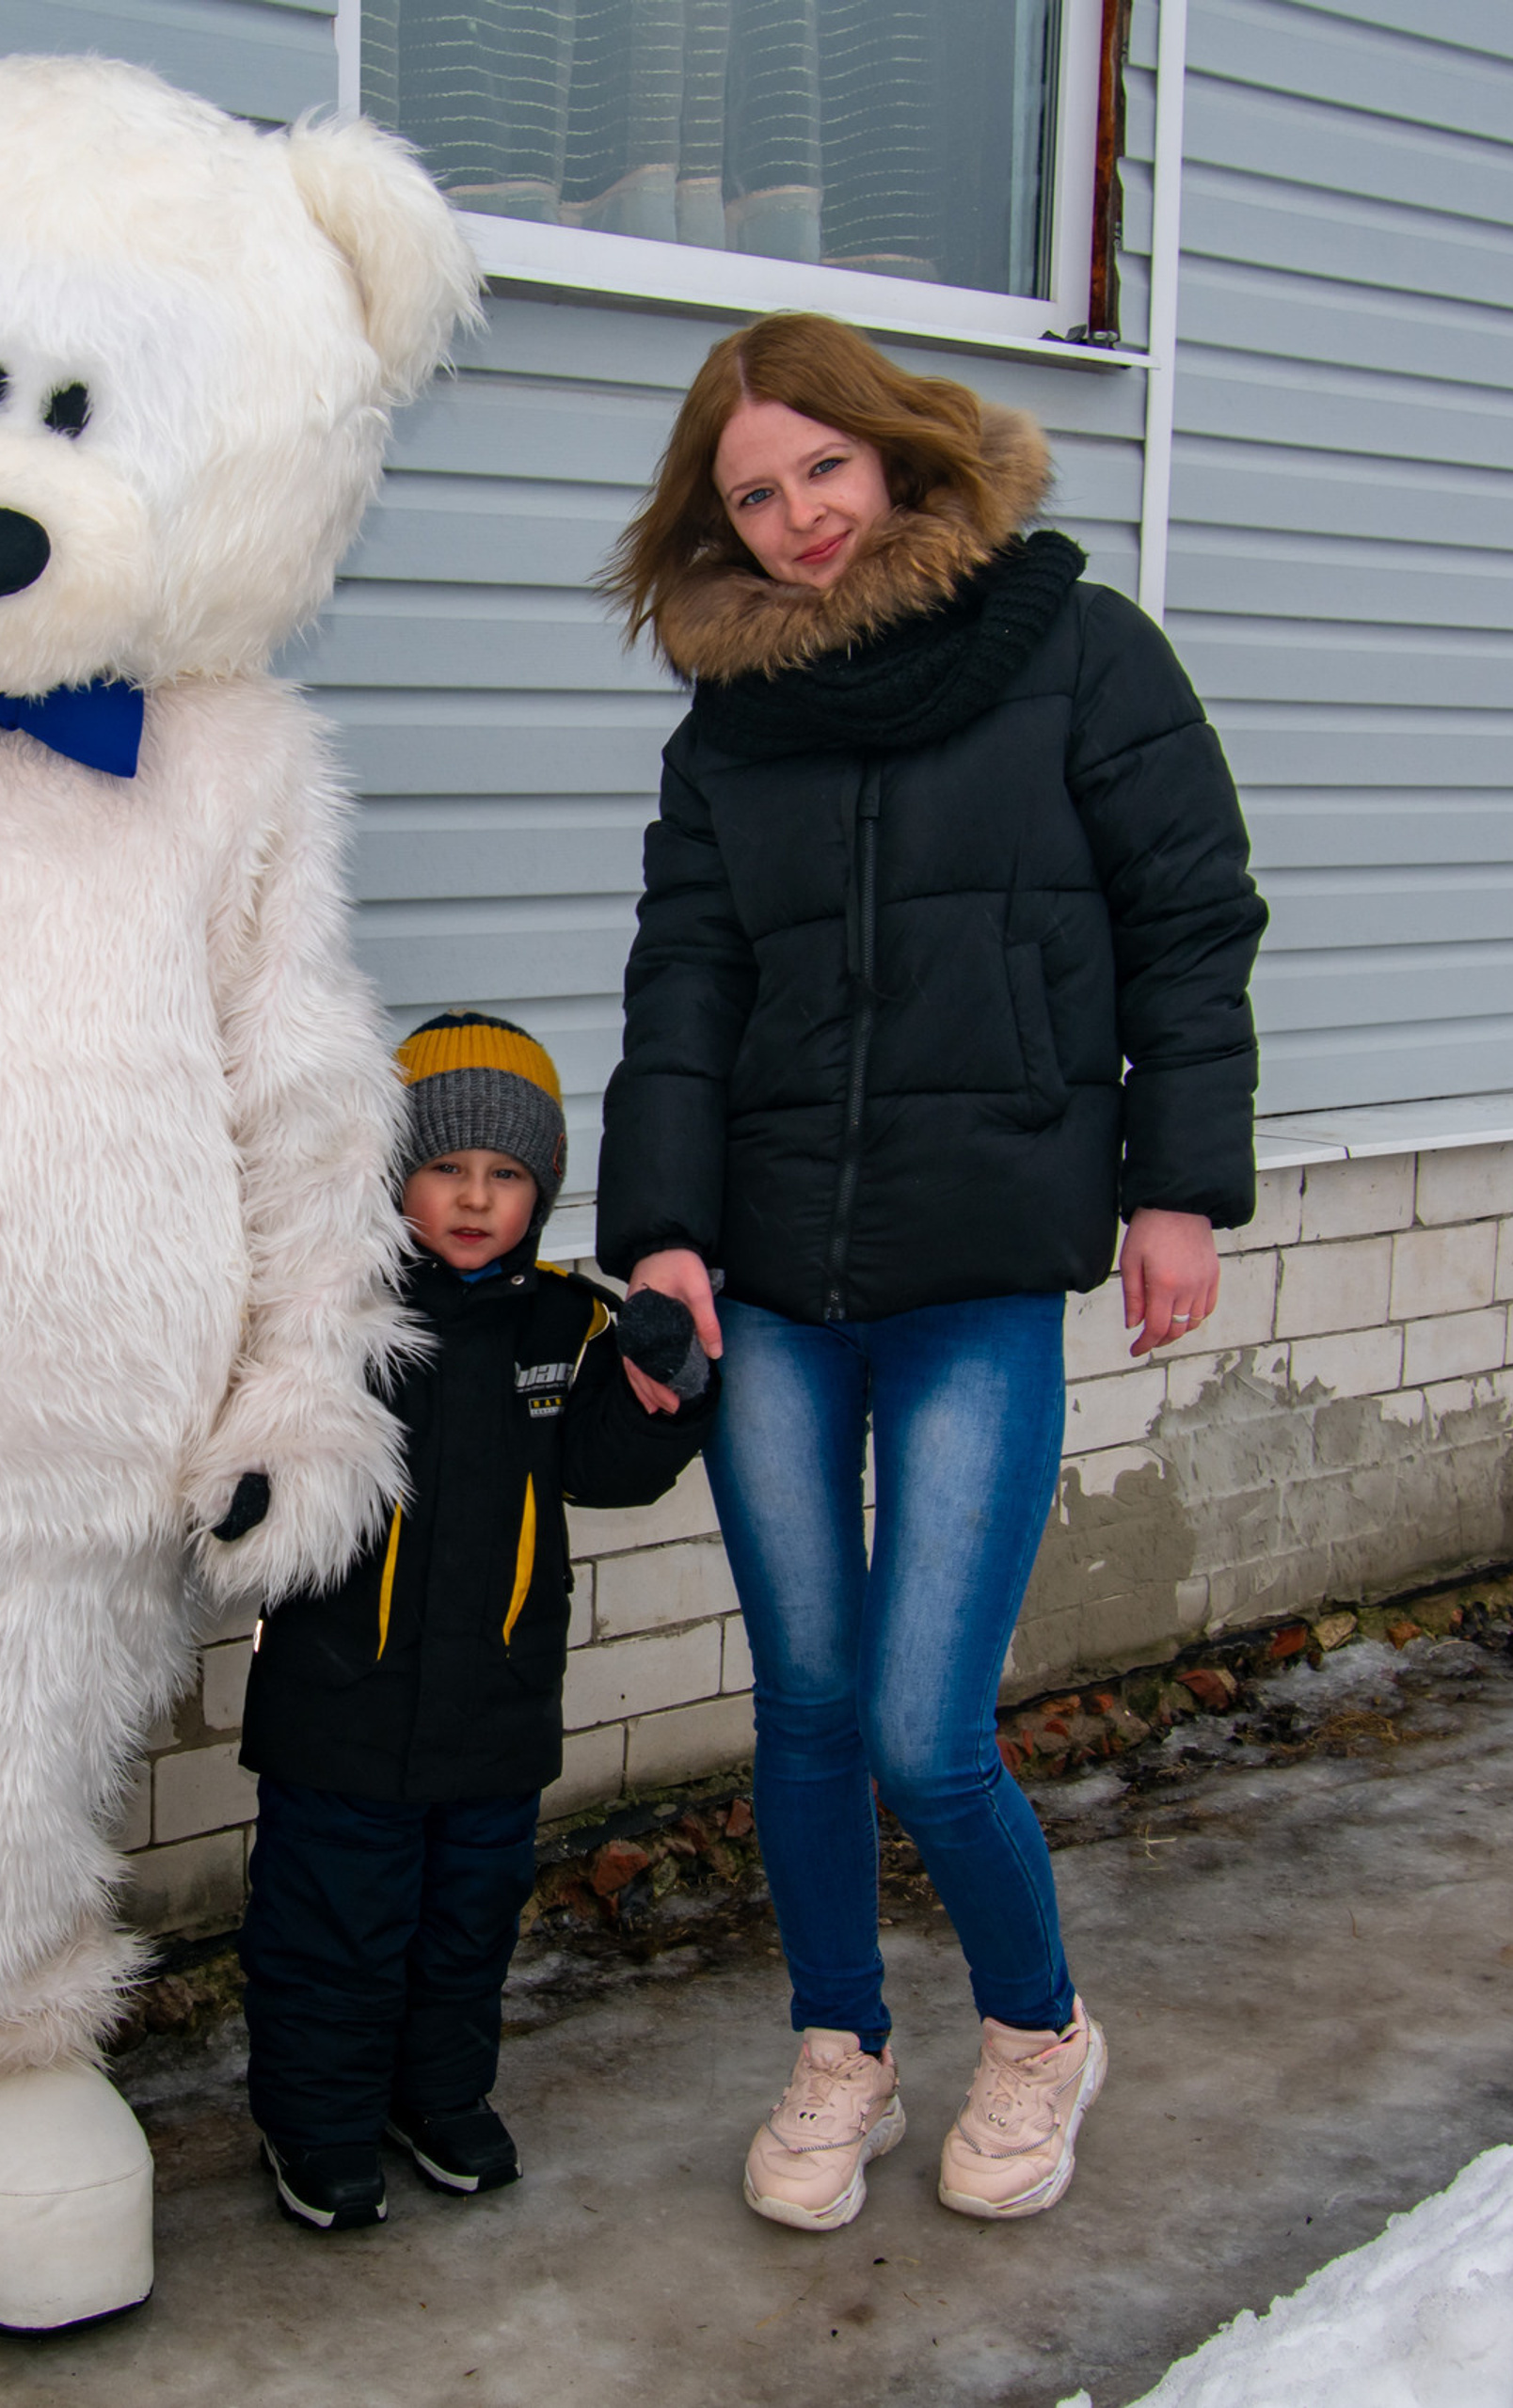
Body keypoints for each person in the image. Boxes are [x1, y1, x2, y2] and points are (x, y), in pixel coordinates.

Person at [595, 313, 1266, 2231]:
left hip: (979, 1257)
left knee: (918, 1723)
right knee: (803, 1705)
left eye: (820, 466)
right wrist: (656, 1225)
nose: (796, 516)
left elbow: (1186, 913)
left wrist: (1173, 1188)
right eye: (750, 492)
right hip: (774, 1276)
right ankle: (839, 2047)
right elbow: (686, 987)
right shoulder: (729, 725)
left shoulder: (1070, 646)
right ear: (710, 523)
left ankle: (1037, 2028)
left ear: (892, 452)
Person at [239, 1012, 717, 2231]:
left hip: (497, 1709)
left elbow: (607, 1469)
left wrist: (664, 1395)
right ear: (394, 1173)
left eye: (505, 1176)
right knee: (333, 1931)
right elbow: (247, 1442)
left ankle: (439, 2099)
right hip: (341, 1703)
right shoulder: (333, 1316)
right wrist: (243, 1479)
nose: (472, 1199)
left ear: (541, 1189)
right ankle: (320, 2129)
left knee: (464, 1929)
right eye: (445, 1168)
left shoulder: (563, 1326)